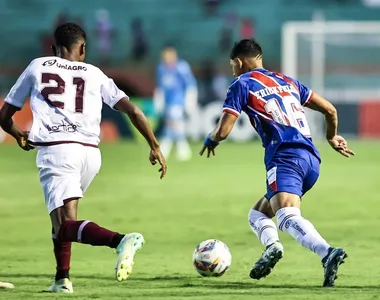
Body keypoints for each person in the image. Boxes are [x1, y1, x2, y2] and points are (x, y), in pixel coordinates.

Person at [0, 23, 167, 294]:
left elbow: (4, 115)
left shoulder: (38, 66)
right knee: (64, 223)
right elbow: (134, 110)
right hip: (90, 154)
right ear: (83, 49)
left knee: (65, 225)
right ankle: (62, 279)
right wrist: (154, 145)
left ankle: (121, 240)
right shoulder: (95, 73)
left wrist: (19, 134)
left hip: (57, 152)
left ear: (54, 49)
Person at [200, 39, 354, 287]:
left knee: (285, 215)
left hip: (285, 157)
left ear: (239, 62)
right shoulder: (287, 81)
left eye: (232, 66)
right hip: (311, 160)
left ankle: (327, 252)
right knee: (258, 214)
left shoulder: (242, 83)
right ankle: (272, 246)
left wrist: (211, 138)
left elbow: (224, 130)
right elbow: (330, 110)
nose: (233, 70)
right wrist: (331, 137)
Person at [154, 46, 198, 161]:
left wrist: (190, 101)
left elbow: (190, 85)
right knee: (173, 125)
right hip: (168, 102)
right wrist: (159, 101)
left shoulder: (181, 67)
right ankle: (181, 149)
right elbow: (161, 87)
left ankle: (167, 148)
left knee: (174, 123)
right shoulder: (161, 68)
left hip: (178, 101)